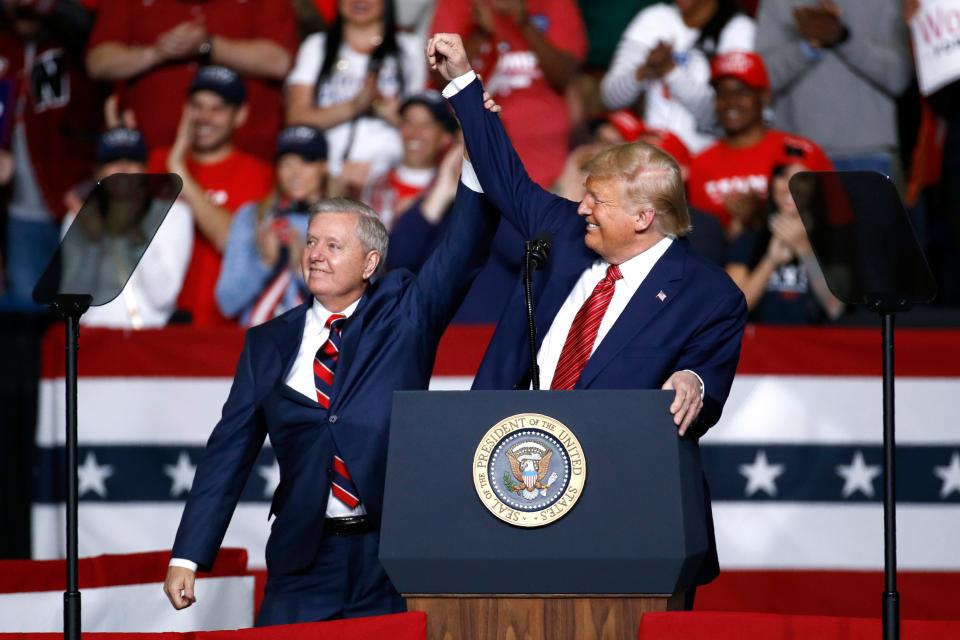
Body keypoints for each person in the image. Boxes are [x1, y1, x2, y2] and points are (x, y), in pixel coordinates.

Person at [427, 32, 747, 592]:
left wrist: (693, 380)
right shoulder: (565, 236)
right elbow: (505, 177)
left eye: (596, 199)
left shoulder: (709, 294)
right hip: (513, 485)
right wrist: (462, 79)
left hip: (629, 512)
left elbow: (706, 378)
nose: (581, 207)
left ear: (644, 216)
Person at [162, 177, 498, 623]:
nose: (315, 254)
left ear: (369, 263)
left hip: (392, 559)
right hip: (303, 560)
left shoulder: (404, 317)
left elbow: (463, 246)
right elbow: (229, 451)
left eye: (333, 246)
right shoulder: (267, 342)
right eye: (311, 242)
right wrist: (187, 555)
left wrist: (474, 151)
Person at [85, 0, 297, 160]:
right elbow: (98, 62)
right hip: (149, 158)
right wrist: (156, 53)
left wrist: (208, 46)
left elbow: (279, 61)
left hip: (246, 159)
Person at [149, 65, 274, 327]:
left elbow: (235, 242)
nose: (204, 117)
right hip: (154, 320)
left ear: (240, 115)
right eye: (197, 105)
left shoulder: (258, 174)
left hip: (221, 324)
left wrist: (180, 174)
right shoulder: (155, 163)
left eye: (218, 109)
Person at [0, 0, 103, 308]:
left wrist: (42, 7)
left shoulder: (71, 42)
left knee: (84, 310)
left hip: (76, 199)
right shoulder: (5, 47)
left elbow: (88, 26)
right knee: (27, 317)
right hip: (21, 214)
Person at [429, 0, 588, 187]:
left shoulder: (555, 4)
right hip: (481, 152)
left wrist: (525, 24)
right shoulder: (459, 4)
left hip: (549, 160)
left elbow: (563, 75)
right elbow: (442, 77)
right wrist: (480, 33)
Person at [755, 0, 912, 178]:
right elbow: (761, 80)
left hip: (870, 155)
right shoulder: (777, 3)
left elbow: (898, 78)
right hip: (799, 158)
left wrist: (843, 38)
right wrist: (806, 47)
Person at [686, 51, 833, 238]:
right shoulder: (701, 163)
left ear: (763, 96)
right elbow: (701, 240)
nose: (730, 102)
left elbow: (832, 220)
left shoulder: (803, 153)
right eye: (722, 93)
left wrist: (763, 213)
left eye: (741, 92)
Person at [285, 0, 426, 193]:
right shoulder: (317, 46)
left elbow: (425, 123)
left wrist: (381, 106)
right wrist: (354, 107)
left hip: (391, 177)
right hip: (327, 178)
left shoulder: (410, 48)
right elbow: (296, 117)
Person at [60, 126, 193, 329]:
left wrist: (133, 233)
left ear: (146, 169)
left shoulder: (174, 214)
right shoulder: (79, 216)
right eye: (113, 162)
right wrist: (94, 242)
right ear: (98, 172)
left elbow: (163, 297)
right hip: (93, 339)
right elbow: (73, 301)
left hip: (148, 340)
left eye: (132, 161)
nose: (123, 169)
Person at [600, 0, 755, 153]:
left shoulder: (739, 30)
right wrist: (644, 71)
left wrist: (671, 73)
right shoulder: (654, 19)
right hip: (652, 157)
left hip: (707, 160)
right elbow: (610, 98)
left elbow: (721, 117)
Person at [216, 125, 330, 327]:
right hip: (258, 344)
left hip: (322, 347)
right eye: (286, 163)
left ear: (324, 166)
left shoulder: (348, 220)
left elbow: (357, 305)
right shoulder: (252, 216)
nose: (295, 173)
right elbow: (227, 303)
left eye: (306, 162)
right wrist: (264, 264)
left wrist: (303, 272)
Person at [725, 162, 844, 323]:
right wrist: (770, 261)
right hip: (762, 344)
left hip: (814, 343)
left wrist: (804, 249)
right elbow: (732, 309)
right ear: (772, 184)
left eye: (802, 178)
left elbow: (835, 308)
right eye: (783, 175)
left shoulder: (833, 240)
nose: (790, 185)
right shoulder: (749, 239)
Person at [362, 91, 458, 231]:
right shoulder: (374, 185)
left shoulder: (452, 193)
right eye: (408, 122)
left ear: (445, 137)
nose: (415, 132)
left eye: (426, 124)